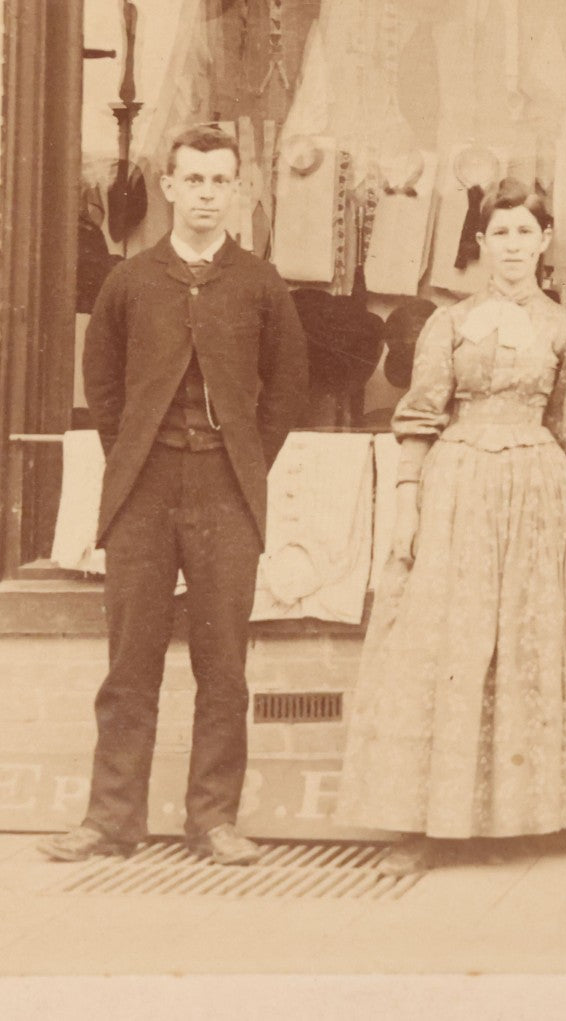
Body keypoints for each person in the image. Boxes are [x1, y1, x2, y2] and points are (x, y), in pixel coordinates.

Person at [43, 125, 309, 865]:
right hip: (144, 488)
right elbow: (101, 385)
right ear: (168, 186)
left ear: (238, 189)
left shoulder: (260, 283)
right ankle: (111, 819)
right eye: (192, 180)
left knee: (223, 663)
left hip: (226, 488)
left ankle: (213, 820)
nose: (205, 194)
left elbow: (287, 386)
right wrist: (135, 454)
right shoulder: (129, 281)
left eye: (219, 181)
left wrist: (244, 457)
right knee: (131, 661)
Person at [331, 179, 566, 875]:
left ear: (545, 241)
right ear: (481, 243)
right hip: (456, 487)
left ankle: (521, 819)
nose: (512, 246)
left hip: (536, 492)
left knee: (522, 640)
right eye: (500, 233)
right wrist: (407, 504)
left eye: (525, 232)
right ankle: (430, 823)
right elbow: (420, 416)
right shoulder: (447, 325)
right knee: (444, 642)